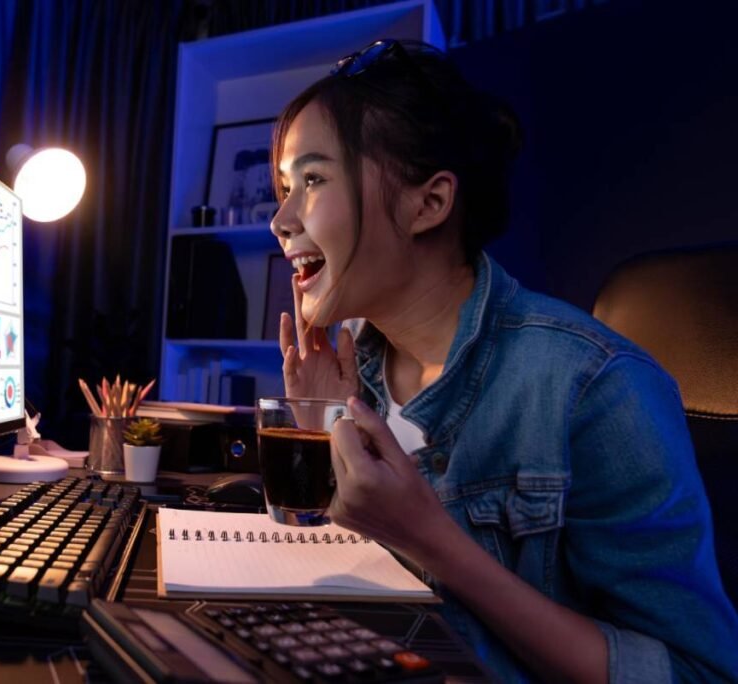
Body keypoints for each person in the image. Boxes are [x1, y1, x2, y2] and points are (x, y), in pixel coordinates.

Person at [271, 39, 738, 683]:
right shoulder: (355, 379)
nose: (280, 218)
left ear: (428, 204)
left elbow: (696, 673)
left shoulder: (595, 386)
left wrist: (435, 543)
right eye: (285, 186)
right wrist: (318, 425)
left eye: (314, 180)